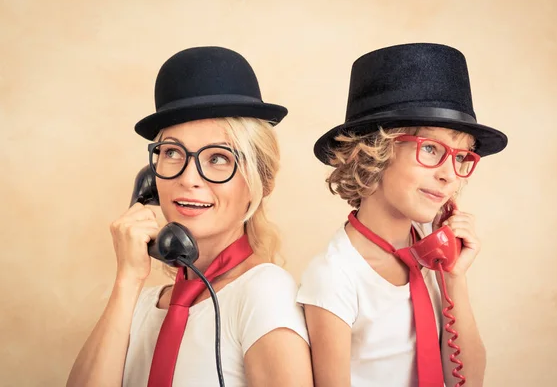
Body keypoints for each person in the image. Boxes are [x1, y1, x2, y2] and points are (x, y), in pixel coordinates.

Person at [67, 46, 313, 387]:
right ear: (151, 180)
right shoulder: (141, 306)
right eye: (172, 153)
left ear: (258, 180)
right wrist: (127, 280)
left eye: (218, 158)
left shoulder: (263, 294)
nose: (188, 178)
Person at [297, 43, 508, 387]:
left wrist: (454, 278)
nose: (449, 174)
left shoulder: (432, 256)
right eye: (430, 149)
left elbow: (468, 381)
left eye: (459, 157)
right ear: (373, 152)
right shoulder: (334, 276)